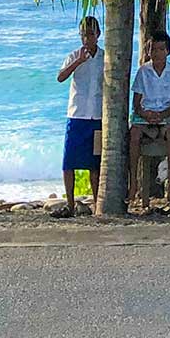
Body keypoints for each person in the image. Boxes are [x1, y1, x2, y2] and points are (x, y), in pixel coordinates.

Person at [128, 30, 170, 210]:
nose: (156, 53)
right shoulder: (143, 71)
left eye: (160, 49)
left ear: (168, 51)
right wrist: (146, 114)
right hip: (146, 114)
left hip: (165, 114)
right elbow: (136, 102)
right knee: (134, 134)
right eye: (153, 49)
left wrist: (163, 115)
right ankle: (133, 183)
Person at [56, 15, 103, 216]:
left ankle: (95, 204)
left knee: (95, 165)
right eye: (83, 35)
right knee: (69, 163)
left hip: (97, 115)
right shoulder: (74, 55)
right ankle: (70, 203)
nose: (86, 39)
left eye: (90, 34)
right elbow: (61, 77)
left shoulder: (105, 56)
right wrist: (78, 62)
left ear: (98, 35)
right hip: (77, 114)